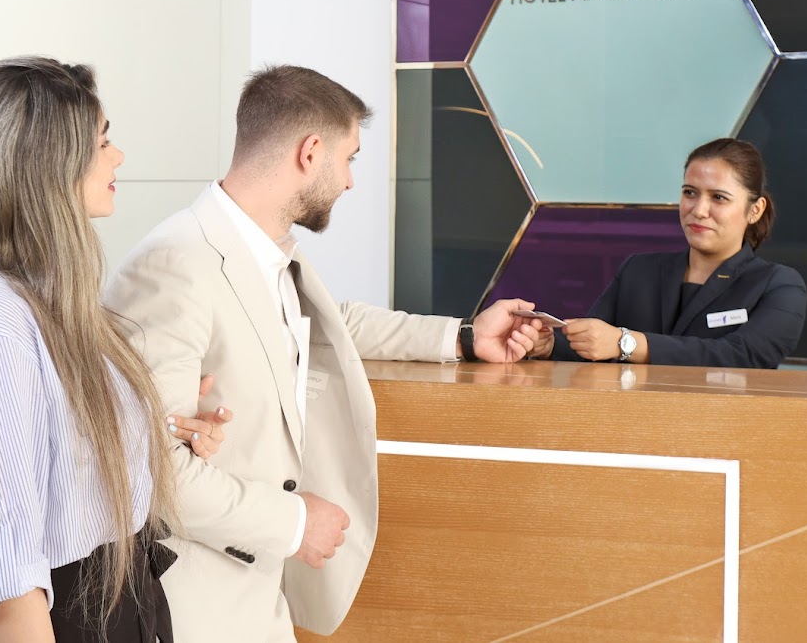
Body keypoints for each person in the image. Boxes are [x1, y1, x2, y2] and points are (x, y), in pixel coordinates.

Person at [103, 64, 543, 642]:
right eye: (349, 158)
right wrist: (295, 524)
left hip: (257, 597)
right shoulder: (174, 264)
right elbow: (148, 471)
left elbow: (333, 321)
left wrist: (463, 337)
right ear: (310, 153)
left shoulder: (263, 250)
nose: (351, 182)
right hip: (191, 608)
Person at [0, 57, 223, 643]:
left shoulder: (40, 298)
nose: (118, 156)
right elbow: (10, 582)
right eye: (103, 141)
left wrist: (158, 431)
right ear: (44, 163)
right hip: (66, 620)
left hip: (123, 602)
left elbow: (59, 461)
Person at [545, 137, 807, 369]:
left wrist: (627, 343)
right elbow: (590, 343)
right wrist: (544, 344)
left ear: (755, 210)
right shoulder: (638, 270)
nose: (699, 210)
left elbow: (742, 355)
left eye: (718, 198)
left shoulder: (778, 285)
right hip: (631, 410)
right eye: (690, 193)